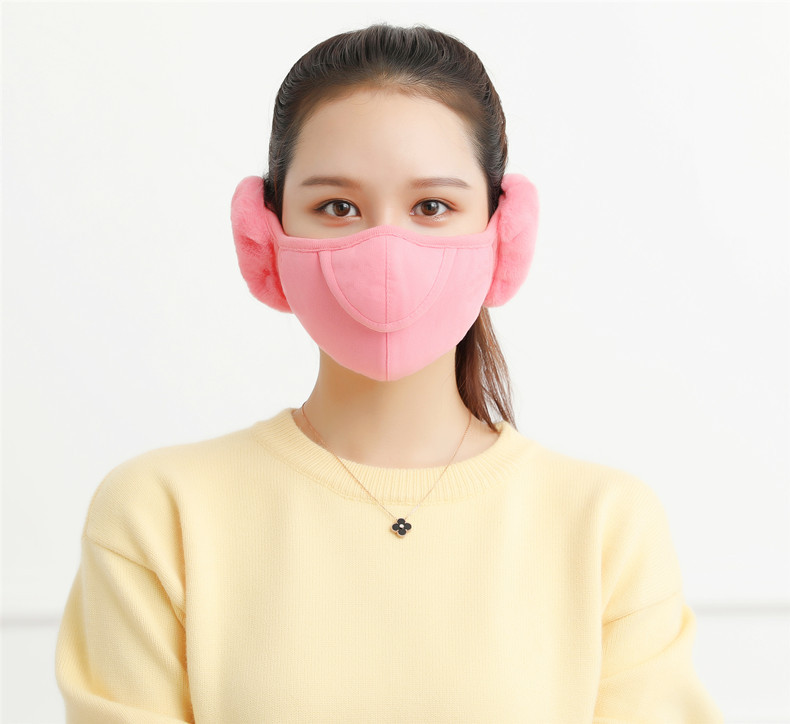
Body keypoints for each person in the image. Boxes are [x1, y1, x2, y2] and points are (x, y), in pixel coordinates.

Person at [54, 22, 724, 722]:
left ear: (505, 235)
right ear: (264, 236)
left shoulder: (607, 524)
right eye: (337, 207)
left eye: (432, 207)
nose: (384, 251)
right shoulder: (158, 513)